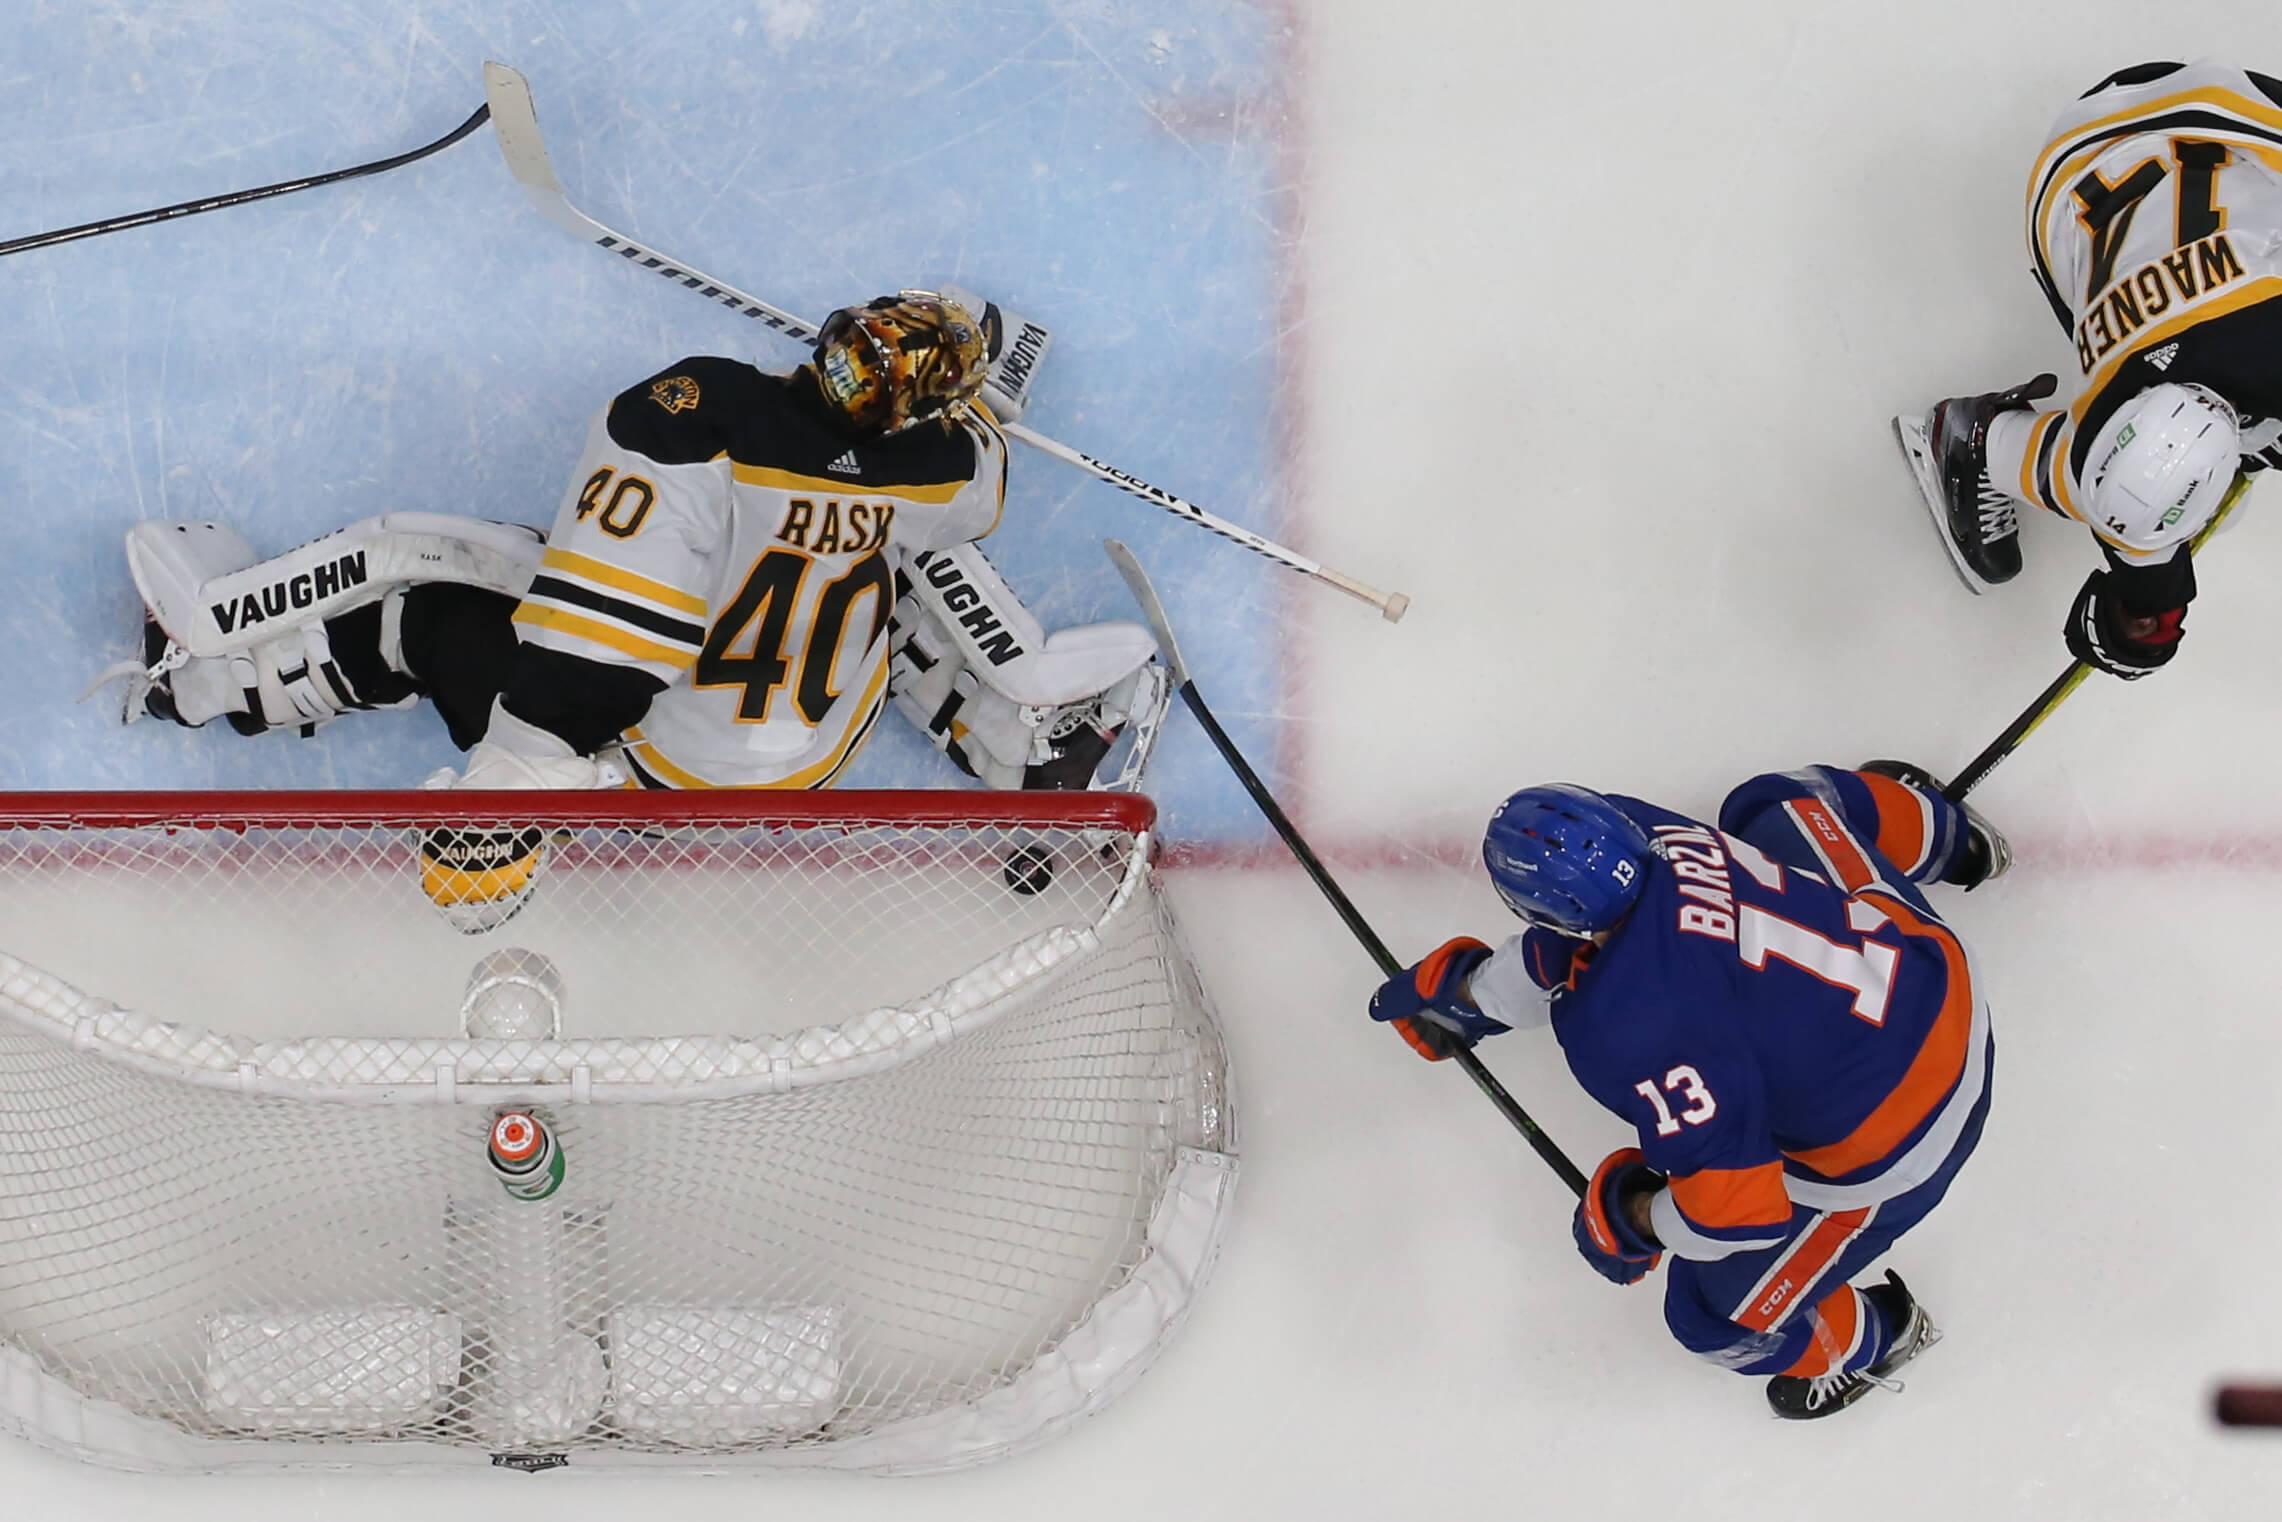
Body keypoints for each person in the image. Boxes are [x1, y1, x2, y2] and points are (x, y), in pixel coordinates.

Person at [95, 289, 1164, 924]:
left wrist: (522, 765)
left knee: (433, 607)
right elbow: (980, 461)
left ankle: (206, 679)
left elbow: (607, 633)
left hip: (665, 763)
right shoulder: (937, 468)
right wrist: (983, 382)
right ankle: (1013, 747)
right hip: (808, 763)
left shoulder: (698, 414)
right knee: (891, 576)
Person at [1365, 762, 2007, 1418]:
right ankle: (1952, 839)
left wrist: (1637, 1218)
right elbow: (1591, 945)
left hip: (1907, 1144)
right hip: (1937, 974)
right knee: (1774, 806)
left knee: (1712, 1322)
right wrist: (1476, 995)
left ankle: (1877, 1337)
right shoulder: (1651, 829)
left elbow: (1734, 1211)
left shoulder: (1629, 1030)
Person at [1895, 61, 2282, 679]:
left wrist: (2146, 614)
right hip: (2100, 171)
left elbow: (2143, 574)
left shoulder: (2107, 447)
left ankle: (1984, 440)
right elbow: (2139, 561)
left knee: (2154, 487)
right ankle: (1981, 439)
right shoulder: (2100, 459)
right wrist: (2143, 610)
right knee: (2128, 485)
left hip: (2107, 159)